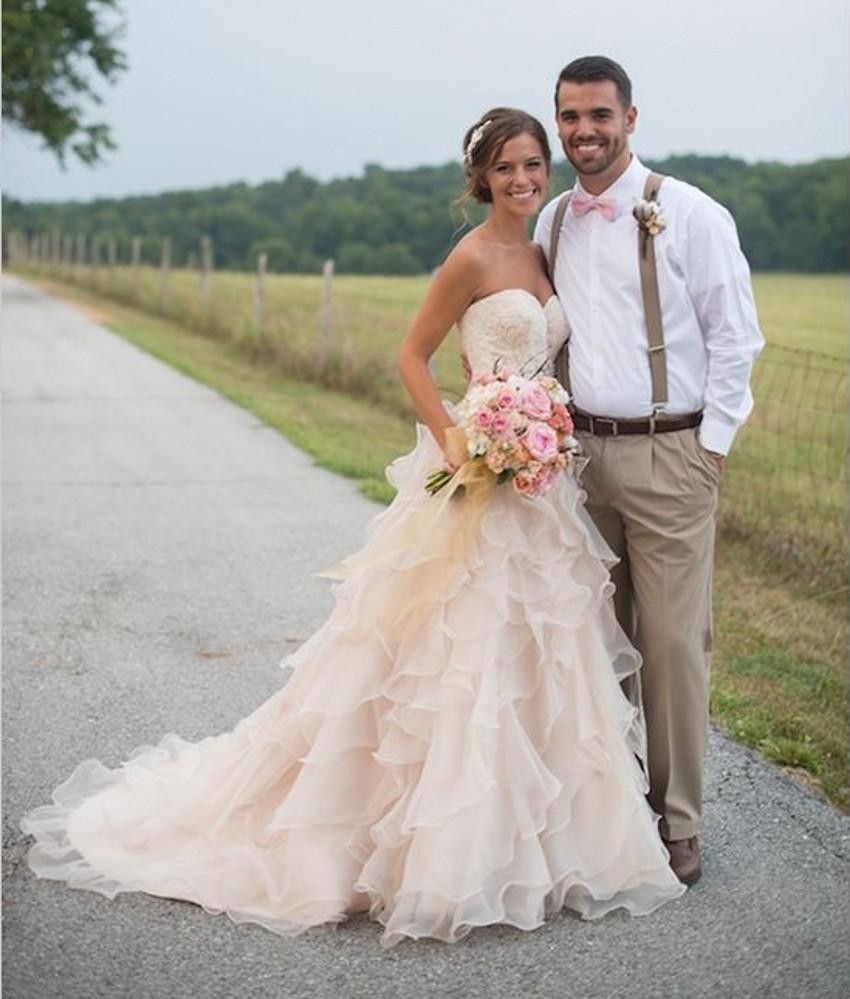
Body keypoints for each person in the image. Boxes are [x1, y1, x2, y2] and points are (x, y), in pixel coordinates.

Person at [21, 107, 684, 949]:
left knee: (542, 654)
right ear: (481, 178)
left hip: (541, 485)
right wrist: (463, 437)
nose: (523, 179)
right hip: (480, 473)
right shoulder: (472, 256)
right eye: (507, 167)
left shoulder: (546, 248)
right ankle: (437, 852)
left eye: (533, 165)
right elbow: (411, 355)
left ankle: (553, 846)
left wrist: (538, 432)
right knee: (454, 657)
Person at [534, 57, 764, 885]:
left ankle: (679, 821)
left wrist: (711, 448)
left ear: (631, 117)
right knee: (596, 640)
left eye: (599, 115)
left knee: (670, 644)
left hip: (673, 453)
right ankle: (613, 805)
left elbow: (737, 336)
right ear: (557, 122)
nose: (584, 131)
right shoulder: (552, 221)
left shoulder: (692, 213)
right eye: (569, 117)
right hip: (577, 460)